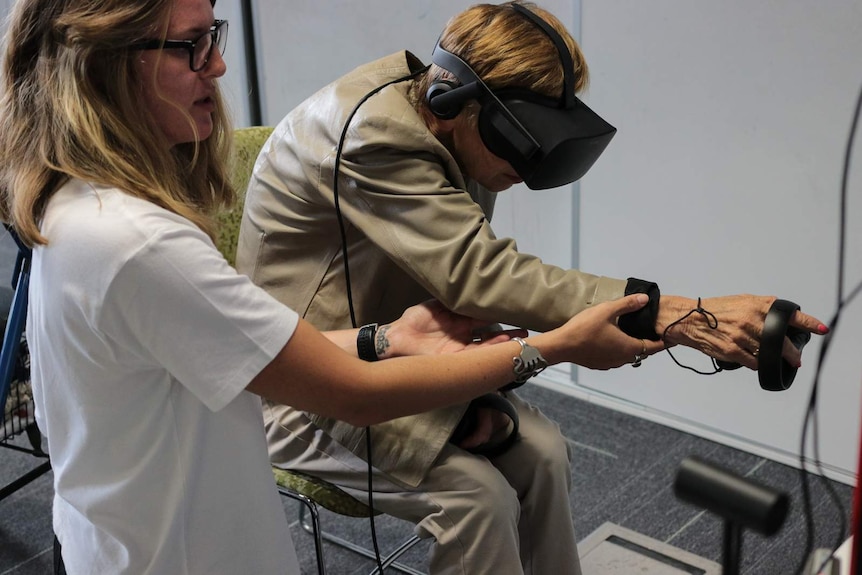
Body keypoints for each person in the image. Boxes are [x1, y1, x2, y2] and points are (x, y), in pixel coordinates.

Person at [0, 0, 668, 573]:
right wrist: (554, 347)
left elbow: (241, 349)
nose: (218, 65)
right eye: (191, 47)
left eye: (215, 37)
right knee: (480, 497)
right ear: (104, 63)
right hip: (181, 550)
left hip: (140, 536)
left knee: (542, 452)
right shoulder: (141, 245)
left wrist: (386, 337)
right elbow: (353, 394)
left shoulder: (83, 207)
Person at [236, 2, 829, 574]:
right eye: (518, 138)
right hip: (304, 384)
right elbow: (479, 275)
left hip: (407, 348)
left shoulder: (448, 124)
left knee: (544, 452)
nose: (531, 162)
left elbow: (465, 283)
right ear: (450, 101)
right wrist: (678, 314)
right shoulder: (374, 137)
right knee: (475, 499)